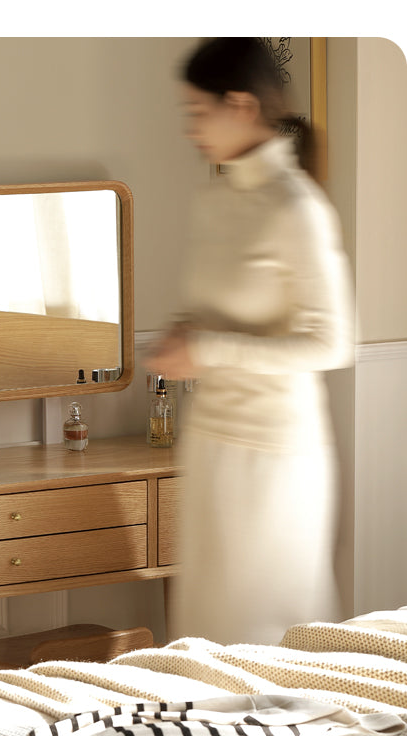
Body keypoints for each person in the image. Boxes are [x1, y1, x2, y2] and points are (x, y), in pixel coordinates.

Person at [145, 38, 354, 645]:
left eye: (196, 113)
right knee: (207, 640)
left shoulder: (298, 207)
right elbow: (209, 313)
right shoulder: (213, 201)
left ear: (239, 105)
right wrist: (182, 339)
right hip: (210, 443)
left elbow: (332, 344)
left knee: (265, 642)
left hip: (276, 456)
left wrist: (207, 349)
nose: (188, 131)